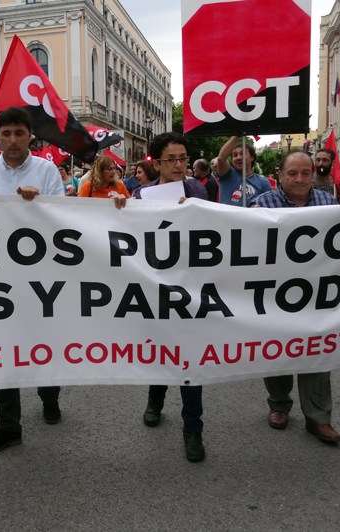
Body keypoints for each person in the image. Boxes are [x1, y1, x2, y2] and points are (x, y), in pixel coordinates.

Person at [0, 107, 64, 455]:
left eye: (19, 133)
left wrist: (40, 202)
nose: (12, 140)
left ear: (30, 136)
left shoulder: (47, 169)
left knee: (41, 343)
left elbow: (64, 218)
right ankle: (8, 425)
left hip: (38, 276)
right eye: (5, 134)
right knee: (3, 349)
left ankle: (50, 394)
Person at [251, 151, 340, 444]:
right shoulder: (262, 205)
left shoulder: (328, 203)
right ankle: (278, 405)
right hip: (275, 293)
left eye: (306, 173)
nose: (300, 179)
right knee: (276, 350)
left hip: (316, 294)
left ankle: (319, 419)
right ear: (280, 175)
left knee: (317, 351)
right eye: (293, 173)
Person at [131, 132, 208, 462]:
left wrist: (193, 211)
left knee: (190, 359)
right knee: (161, 351)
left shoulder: (197, 190)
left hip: (190, 287)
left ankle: (193, 429)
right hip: (155, 286)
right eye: (172, 159)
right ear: (156, 162)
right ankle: (155, 399)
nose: (179, 165)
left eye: (183, 158)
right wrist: (122, 208)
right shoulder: (141, 194)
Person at [214, 136, 272, 206]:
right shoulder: (227, 174)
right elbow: (221, 159)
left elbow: (268, 206)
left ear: (252, 157)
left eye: (242, 154)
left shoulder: (263, 182)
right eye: (235, 155)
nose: (238, 157)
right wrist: (237, 134)